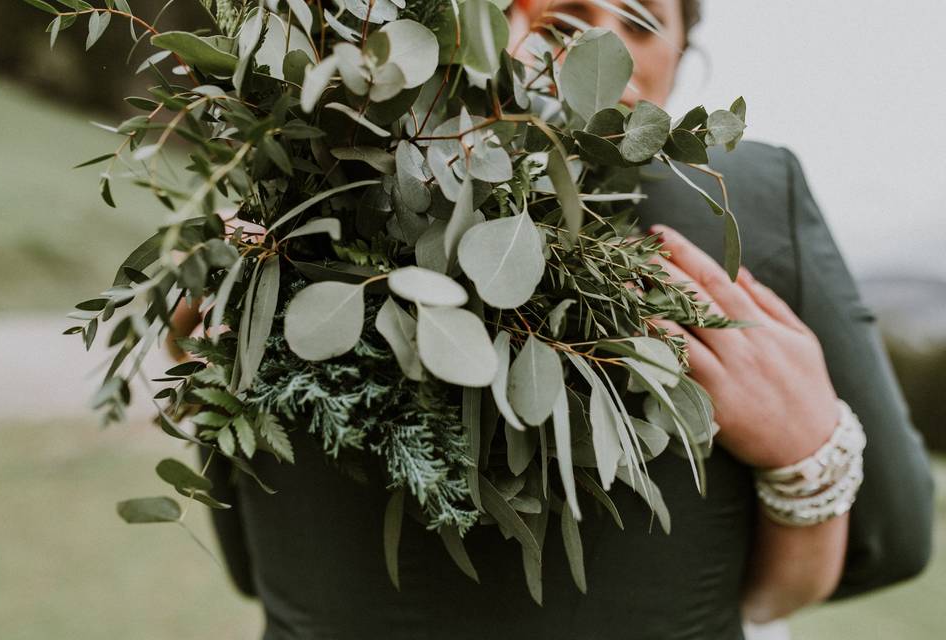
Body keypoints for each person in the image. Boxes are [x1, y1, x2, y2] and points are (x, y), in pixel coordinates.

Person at [166, 1, 936, 638]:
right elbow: (895, 542)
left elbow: (258, 560)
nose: (594, 46)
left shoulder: (283, 202)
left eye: (638, 22)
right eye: (563, 11)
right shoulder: (747, 199)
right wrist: (814, 460)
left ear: (676, 67)